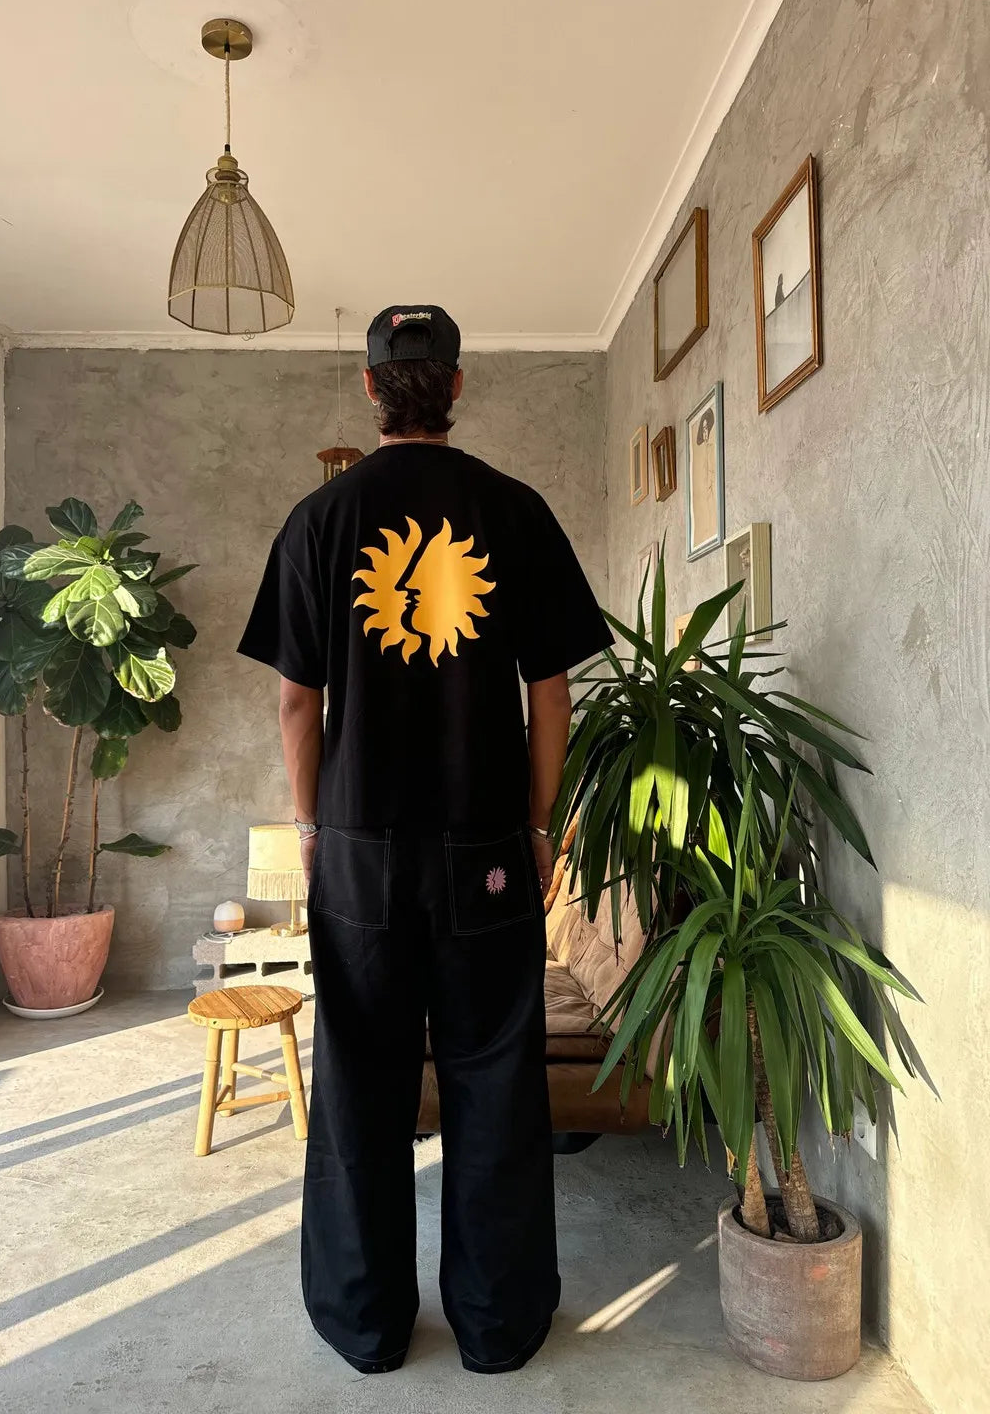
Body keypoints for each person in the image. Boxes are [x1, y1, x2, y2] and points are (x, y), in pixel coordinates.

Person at [237, 303, 613, 1376]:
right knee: (495, 1075)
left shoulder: (319, 520)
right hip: (484, 842)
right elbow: (552, 690)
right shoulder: (514, 509)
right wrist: (539, 828)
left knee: (361, 1076)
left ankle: (366, 1324)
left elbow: (296, 709)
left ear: (370, 390)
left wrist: (311, 824)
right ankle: (497, 1327)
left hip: (359, 846)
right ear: (455, 387)